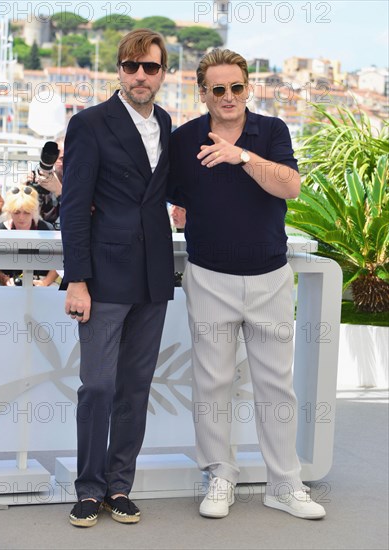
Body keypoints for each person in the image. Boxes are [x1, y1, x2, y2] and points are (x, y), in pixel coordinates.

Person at [168, 49, 326, 520]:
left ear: (248, 88)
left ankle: (284, 484)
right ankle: (219, 475)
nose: (229, 96)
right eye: (218, 89)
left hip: (270, 277)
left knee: (277, 386)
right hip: (209, 276)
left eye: (237, 87)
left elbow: (289, 186)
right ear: (203, 94)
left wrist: (241, 156)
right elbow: (176, 205)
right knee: (211, 384)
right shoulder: (183, 140)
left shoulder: (272, 131)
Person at [60, 28, 174, 528]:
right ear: (119, 71)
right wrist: (77, 280)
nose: (140, 76)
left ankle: (119, 486)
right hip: (104, 277)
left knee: (135, 387)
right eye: (132, 66)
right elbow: (72, 208)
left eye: (150, 67)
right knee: (98, 386)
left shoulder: (167, 123)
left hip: (153, 276)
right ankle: (88, 489)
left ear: (163, 72)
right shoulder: (89, 123)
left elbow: (163, 191)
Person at [0, 185, 58, 286]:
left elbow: (59, 261)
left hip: (41, 284)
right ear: (9, 211)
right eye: (16, 212)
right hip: (8, 285)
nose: (21, 217)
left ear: (34, 211)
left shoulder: (46, 230)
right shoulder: (0, 231)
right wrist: (4, 278)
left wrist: (45, 282)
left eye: (26, 212)